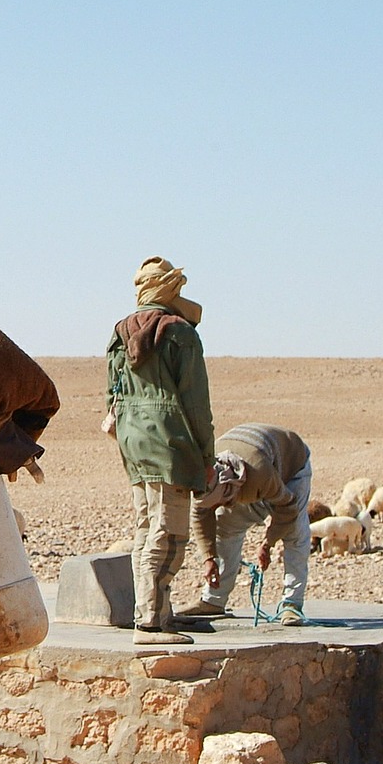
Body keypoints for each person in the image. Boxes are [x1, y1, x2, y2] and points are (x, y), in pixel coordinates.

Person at [104, 257, 215, 645]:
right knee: (169, 532)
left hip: (133, 440)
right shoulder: (180, 333)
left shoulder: (119, 332)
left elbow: (110, 396)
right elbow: (196, 404)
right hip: (170, 442)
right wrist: (206, 456)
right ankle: (151, 623)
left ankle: (154, 613)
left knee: (145, 527)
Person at [182, 423, 311, 626]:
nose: (217, 506)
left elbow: (288, 507)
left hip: (291, 466)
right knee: (224, 526)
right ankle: (213, 601)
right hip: (247, 475)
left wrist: (268, 543)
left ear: (228, 491)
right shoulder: (205, 480)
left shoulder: (260, 474)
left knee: (294, 533)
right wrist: (209, 558)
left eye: (219, 502)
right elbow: (201, 514)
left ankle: (292, 604)